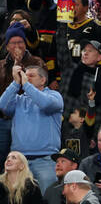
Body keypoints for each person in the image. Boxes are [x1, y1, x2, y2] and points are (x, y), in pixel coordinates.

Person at [0, 64, 63, 193]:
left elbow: (45, 104)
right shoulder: (19, 100)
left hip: (45, 160)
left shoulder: (54, 96)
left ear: (43, 80)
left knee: (47, 201)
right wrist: (15, 83)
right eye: (24, 76)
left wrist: (26, 85)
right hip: (19, 161)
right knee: (14, 202)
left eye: (31, 76)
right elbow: (2, 105)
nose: (26, 78)